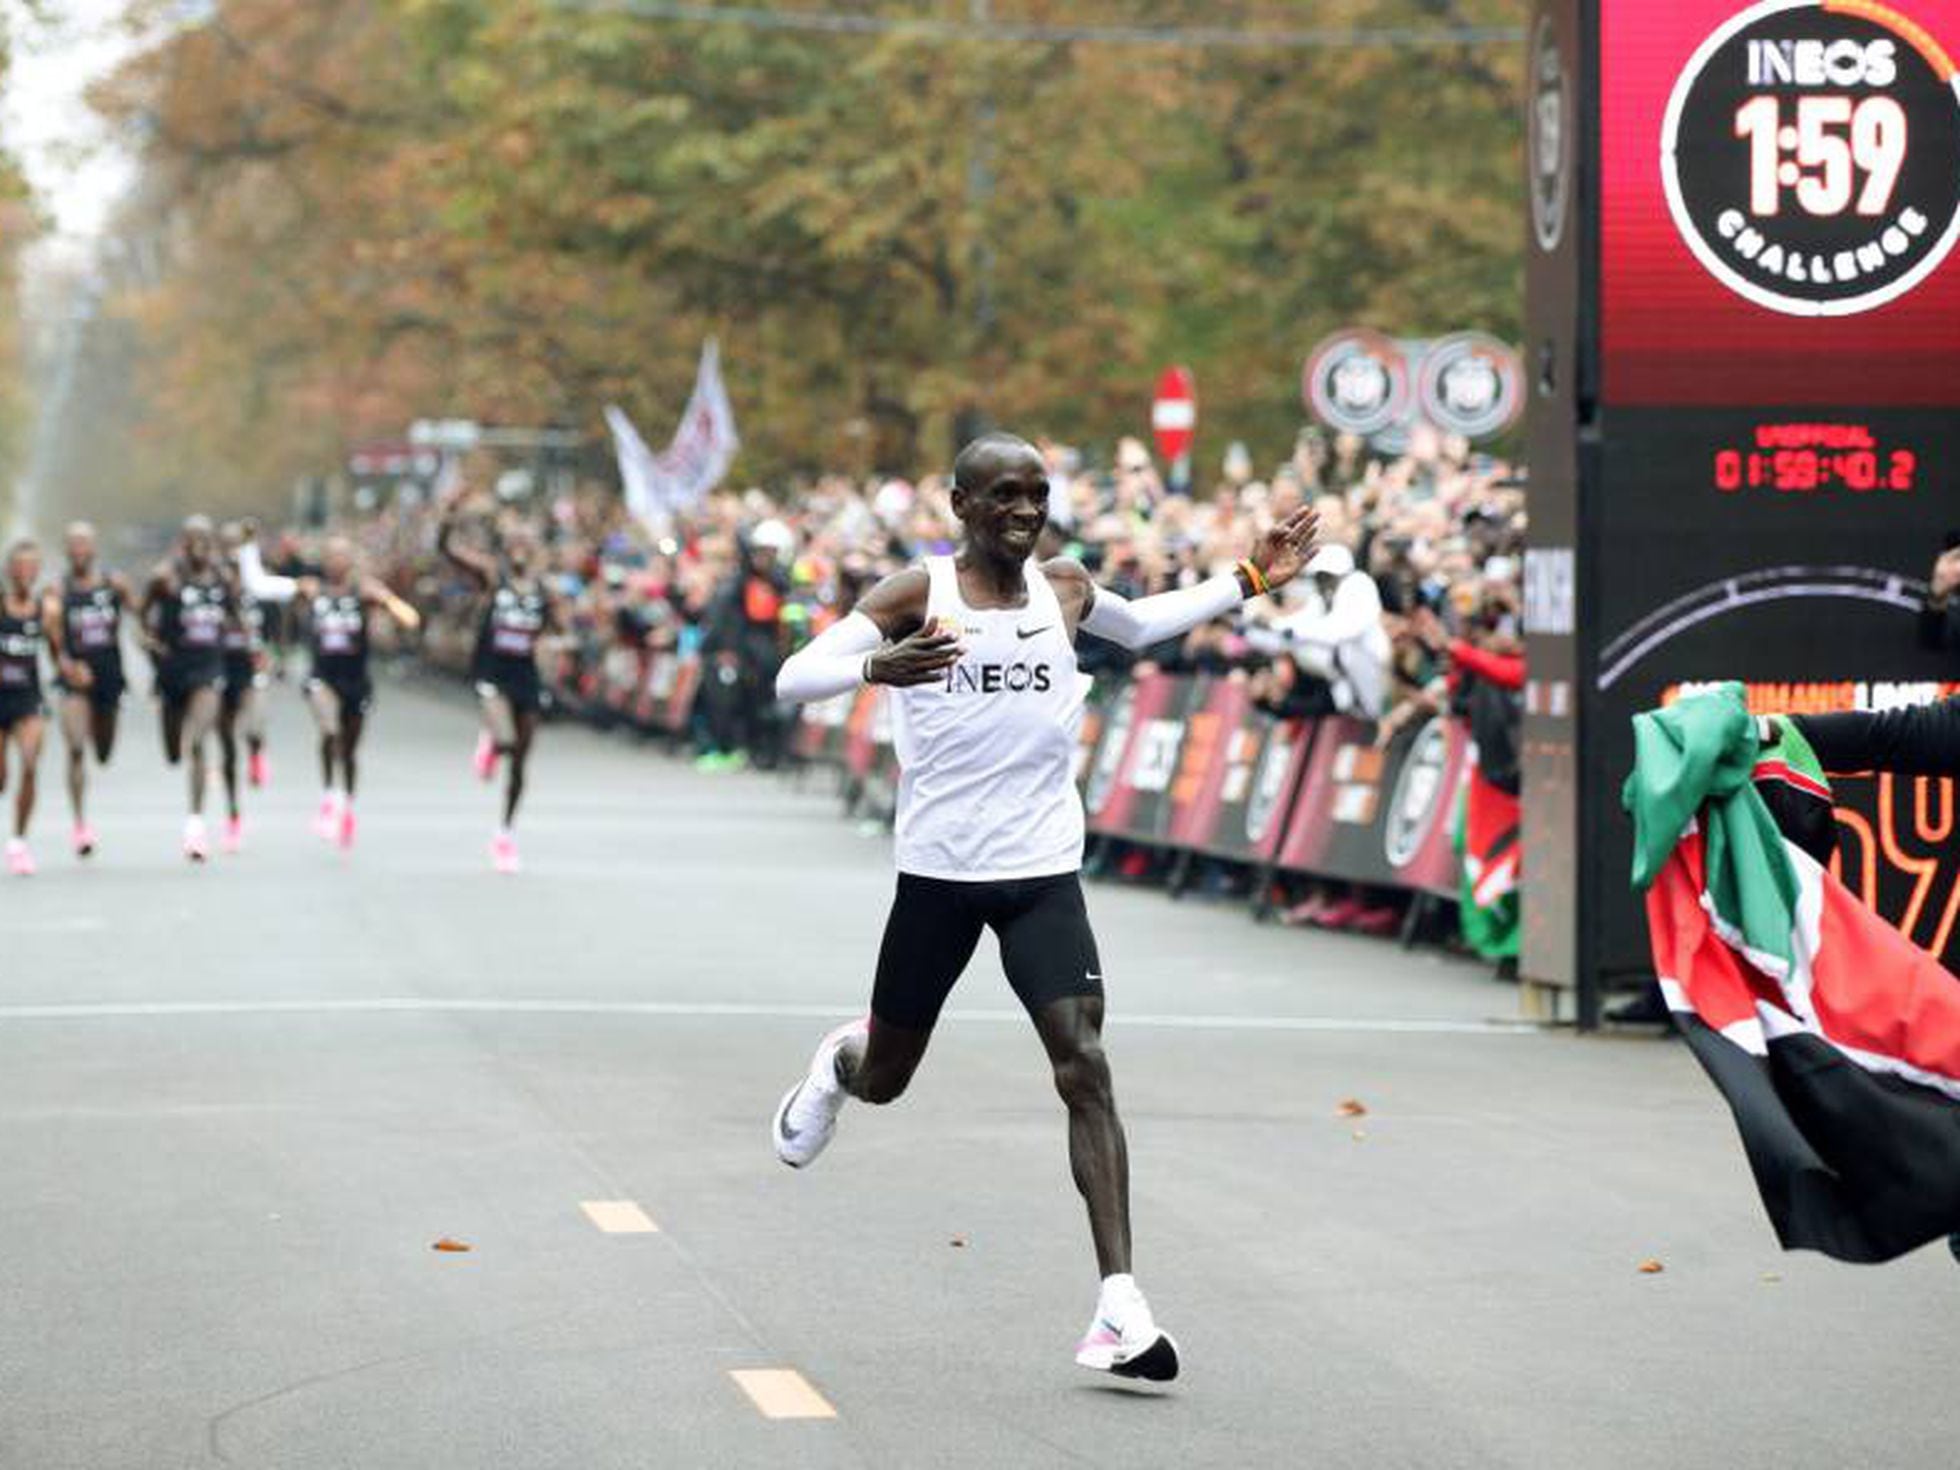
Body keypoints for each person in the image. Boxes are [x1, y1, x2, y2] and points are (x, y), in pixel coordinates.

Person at [768, 432, 1319, 1382]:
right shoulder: (916, 596)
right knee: (891, 1075)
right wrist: (874, 671)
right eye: (1003, 498)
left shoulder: (1063, 588)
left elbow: (1143, 625)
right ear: (960, 507)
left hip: (1042, 872)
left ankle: (1120, 1308)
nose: (1024, 513)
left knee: (1086, 1064)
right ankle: (839, 1061)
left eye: (1037, 496)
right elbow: (792, 678)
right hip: (940, 875)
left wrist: (1249, 578)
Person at [438, 494, 563, 873]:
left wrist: (555, 643)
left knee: (521, 761)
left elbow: (557, 629)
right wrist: (448, 519)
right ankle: (492, 740)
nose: (520, 552)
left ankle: (505, 833)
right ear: (507, 550)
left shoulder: (545, 590)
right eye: (514, 545)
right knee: (506, 738)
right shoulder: (493, 576)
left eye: (527, 545)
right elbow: (447, 550)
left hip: (525, 674)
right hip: (492, 671)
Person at [299, 535, 421, 849]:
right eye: (332, 556)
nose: (337, 563)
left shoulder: (363, 593)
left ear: (350, 561)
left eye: (343, 557)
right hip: (322, 675)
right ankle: (329, 796)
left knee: (350, 751)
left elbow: (409, 619)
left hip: (354, 679)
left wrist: (388, 601)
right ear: (325, 561)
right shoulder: (313, 589)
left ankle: (348, 805)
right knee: (329, 730)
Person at [141, 515, 242, 862]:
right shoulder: (165, 578)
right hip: (173, 672)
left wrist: (250, 646)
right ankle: (178, 746)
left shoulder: (222, 579)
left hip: (209, 669)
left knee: (198, 741)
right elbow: (142, 619)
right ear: (183, 543)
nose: (199, 545)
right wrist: (151, 644)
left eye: (204, 538)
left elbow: (236, 616)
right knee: (173, 752)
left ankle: (195, 826)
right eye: (192, 539)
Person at [52, 522, 133, 858]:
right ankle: (80, 825)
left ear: (94, 548)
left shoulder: (113, 583)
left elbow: (142, 616)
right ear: (66, 550)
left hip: (109, 678)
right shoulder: (58, 590)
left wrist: (155, 647)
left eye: (84, 544)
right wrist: (67, 665)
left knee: (102, 752)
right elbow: (52, 639)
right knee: (74, 747)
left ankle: (102, 739)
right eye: (73, 545)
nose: (79, 550)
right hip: (75, 681)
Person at [0, 538, 60, 875]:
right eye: (20, 567)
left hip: (28, 699)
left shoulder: (47, 611)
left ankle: (18, 843)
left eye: (32, 567)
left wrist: (72, 670)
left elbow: (57, 654)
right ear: (9, 571)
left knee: (30, 761)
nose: (26, 573)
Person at [215, 522, 274, 853]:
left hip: (251, 667)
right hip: (221, 666)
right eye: (228, 546)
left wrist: (274, 649)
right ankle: (233, 818)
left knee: (253, 725)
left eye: (239, 546)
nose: (233, 552)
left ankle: (257, 750)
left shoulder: (258, 583)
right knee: (226, 746)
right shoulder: (213, 583)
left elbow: (278, 614)